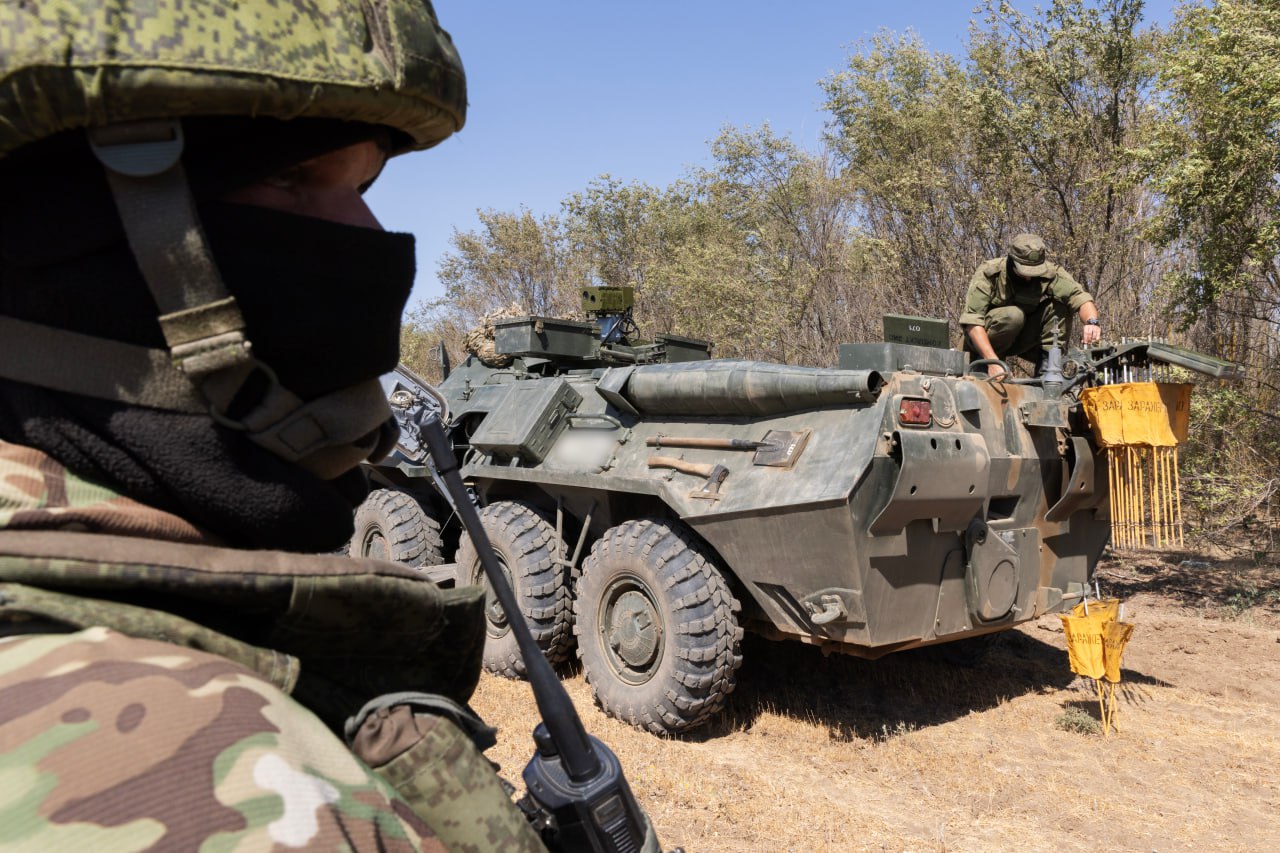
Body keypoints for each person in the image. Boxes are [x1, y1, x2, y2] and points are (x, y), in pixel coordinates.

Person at [0, 2, 551, 849]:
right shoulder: (202, 772)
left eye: (362, 185)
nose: (373, 238)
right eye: (293, 175)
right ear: (69, 229)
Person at [959, 233, 1102, 377]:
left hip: (1021, 340)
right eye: (1025, 270)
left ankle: (1048, 372)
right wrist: (992, 362)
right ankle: (982, 366)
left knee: (1059, 308)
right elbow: (973, 323)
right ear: (1012, 261)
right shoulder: (990, 272)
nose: (1029, 277)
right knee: (1013, 315)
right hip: (981, 344)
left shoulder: (1050, 273)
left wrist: (1092, 322)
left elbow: (1080, 298)